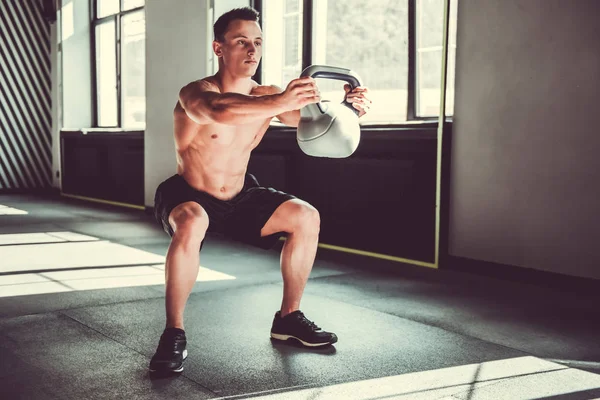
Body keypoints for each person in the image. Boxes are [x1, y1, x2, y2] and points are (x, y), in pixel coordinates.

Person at [149, 7, 371, 373]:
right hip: (189, 193)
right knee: (191, 221)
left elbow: (314, 122)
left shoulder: (268, 94)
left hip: (240, 194)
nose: (252, 51)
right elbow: (217, 111)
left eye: (257, 43)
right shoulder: (196, 92)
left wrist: (350, 109)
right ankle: (173, 334)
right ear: (219, 48)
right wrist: (281, 101)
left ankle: (288, 318)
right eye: (241, 42)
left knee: (306, 216)